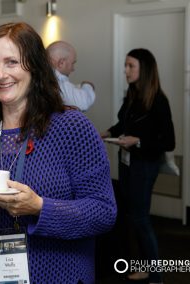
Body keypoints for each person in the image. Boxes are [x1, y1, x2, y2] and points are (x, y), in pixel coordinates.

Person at [0, 22, 117, 283]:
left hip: (57, 275)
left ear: (34, 66)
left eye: (12, 62)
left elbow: (103, 212)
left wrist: (39, 207)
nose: (1, 75)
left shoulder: (72, 127)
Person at [101, 48, 174, 284]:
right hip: (129, 163)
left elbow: (169, 141)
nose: (126, 70)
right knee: (133, 217)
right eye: (126, 66)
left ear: (145, 69)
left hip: (145, 165)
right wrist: (109, 132)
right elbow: (122, 123)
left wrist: (138, 141)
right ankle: (145, 268)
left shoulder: (159, 101)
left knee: (141, 218)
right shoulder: (131, 96)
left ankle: (156, 276)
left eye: (130, 66)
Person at [47, 40, 95, 111]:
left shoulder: (46, 75)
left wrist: (79, 87)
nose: (73, 69)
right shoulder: (54, 77)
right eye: (72, 63)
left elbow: (67, 91)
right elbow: (82, 103)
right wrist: (88, 86)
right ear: (61, 63)